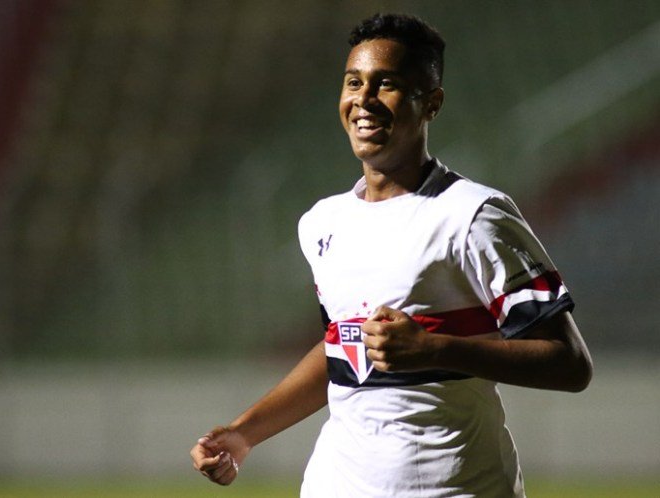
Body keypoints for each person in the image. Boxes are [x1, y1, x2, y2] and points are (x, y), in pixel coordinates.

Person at [190, 13, 592, 498]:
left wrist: (436, 349)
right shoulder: (322, 222)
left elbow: (570, 363)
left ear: (431, 103)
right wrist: (245, 433)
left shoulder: (474, 215)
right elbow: (342, 348)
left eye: (387, 84)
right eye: (354, 82)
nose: (364, 99)